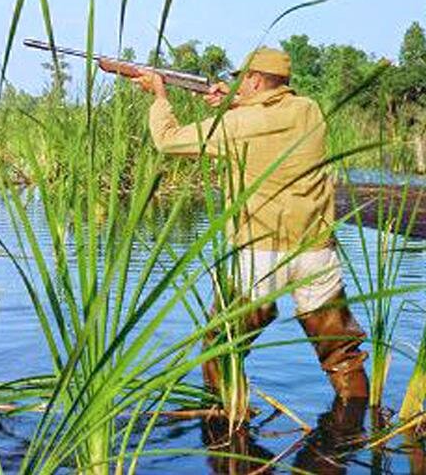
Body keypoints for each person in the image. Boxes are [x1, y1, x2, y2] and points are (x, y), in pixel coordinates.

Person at [98, 47, 369, 401]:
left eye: (241, 79)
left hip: (260, 254)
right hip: (316, 251)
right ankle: (354, 429)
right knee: (341, 354)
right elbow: (272, 114)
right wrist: (238, 100)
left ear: (254, 80)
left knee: (220, 347)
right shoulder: (309, 110)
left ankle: (225, 428)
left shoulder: (237, 124)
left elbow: (168, 140)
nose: (235, 84)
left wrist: (160, 95)